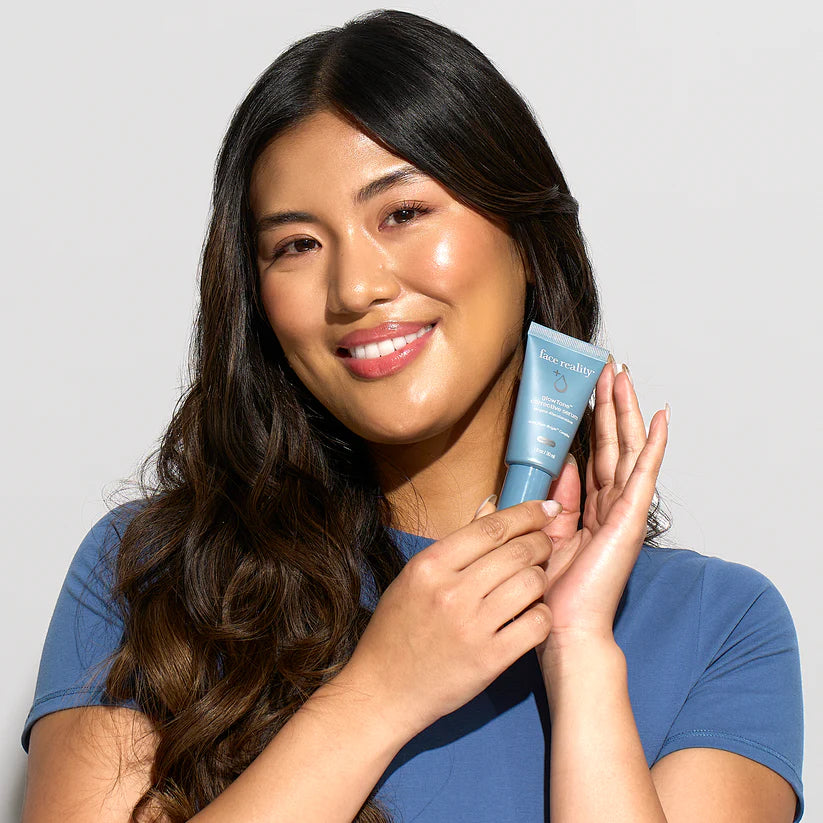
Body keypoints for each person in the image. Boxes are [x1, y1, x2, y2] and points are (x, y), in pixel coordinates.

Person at [21, 9, 803, 822]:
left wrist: (580, 656)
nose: (354, 287)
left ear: (527, 242)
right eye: (296, 245)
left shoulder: (719, 627)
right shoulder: (151, 575)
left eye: (401, 214)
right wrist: (379, 694)